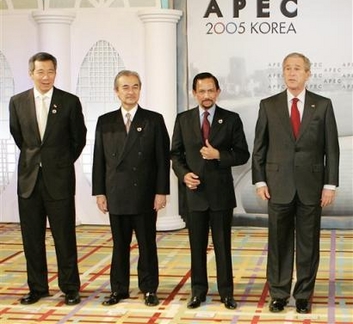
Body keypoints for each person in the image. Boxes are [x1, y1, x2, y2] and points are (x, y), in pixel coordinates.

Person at [252, 52, 340, 314]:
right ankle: (278, 294)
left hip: (311, 187)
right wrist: (259, 181)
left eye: (297, 68)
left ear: (308, 73)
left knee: (308, 245)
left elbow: (331, 149)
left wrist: (330, 185)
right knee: (278, 244)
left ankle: (303, 295)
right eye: (287, 68)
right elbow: (260, 147)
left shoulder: (322, 105)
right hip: (277, 186)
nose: (292, 73)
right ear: (283, 73)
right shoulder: (268, 104)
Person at [9, 52, 87, 305]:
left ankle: (70, 288)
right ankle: (38, 287)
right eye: (40, 72)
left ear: (56, 72)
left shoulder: (70, 102)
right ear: (31, 73)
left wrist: (60, 163)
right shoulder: (17, 102)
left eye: (50, 71)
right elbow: (19, 137)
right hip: (29, 180)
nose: (46, 77)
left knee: (65, 237)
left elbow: (79, 139)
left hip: (59, 179)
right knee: (32, 238)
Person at [170, 72, 250, 310]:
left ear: (218, 92)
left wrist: (219, 156)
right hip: (194, 194)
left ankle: (227, 292)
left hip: (221, 195)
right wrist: (184, 175)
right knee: (196, 246)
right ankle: (198, 291)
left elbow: (243, 154)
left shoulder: (232, 119)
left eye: (210, 90)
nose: (206, 95)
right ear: (194, 93)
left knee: (223, 246)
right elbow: (175, 154)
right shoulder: (183, 119)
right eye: (201, 91)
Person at [92, 70, 170, 307]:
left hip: (145, 194)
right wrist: (100, 192)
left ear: (140, 89)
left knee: (147, 244)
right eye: (125, 87)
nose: (130, 91)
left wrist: (161, 191)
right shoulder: (105, 121)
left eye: (135, 86)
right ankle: (119, 289)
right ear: (116, 91)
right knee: (119, 244)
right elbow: (99, 160)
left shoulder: (153, 120)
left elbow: (162, 159)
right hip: (116, 193)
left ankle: (149, 289)